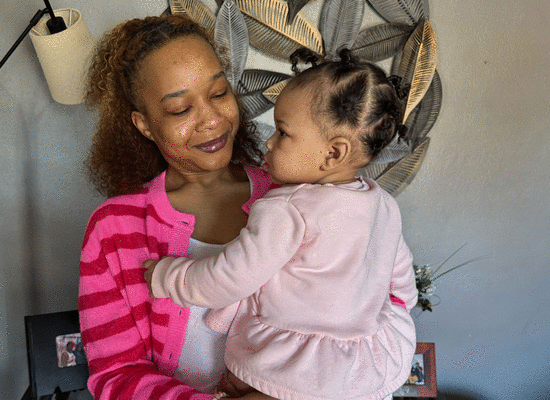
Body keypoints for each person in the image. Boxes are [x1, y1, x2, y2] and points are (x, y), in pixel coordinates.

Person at [145, 48, 419, 400]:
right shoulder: (383, 203)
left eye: (283, 133)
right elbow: (402, 285)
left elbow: (230, 278)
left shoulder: (287, 209)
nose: (269, 142)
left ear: (333, 153)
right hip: (362, 362)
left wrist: (167, 276)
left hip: (296, 366)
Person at [78, 15, 278, 400]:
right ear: (144, 125)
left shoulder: (289, 198)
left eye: (218, 93)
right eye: (180, 109)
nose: (211, 119)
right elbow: (115, 376)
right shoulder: (113, 229)